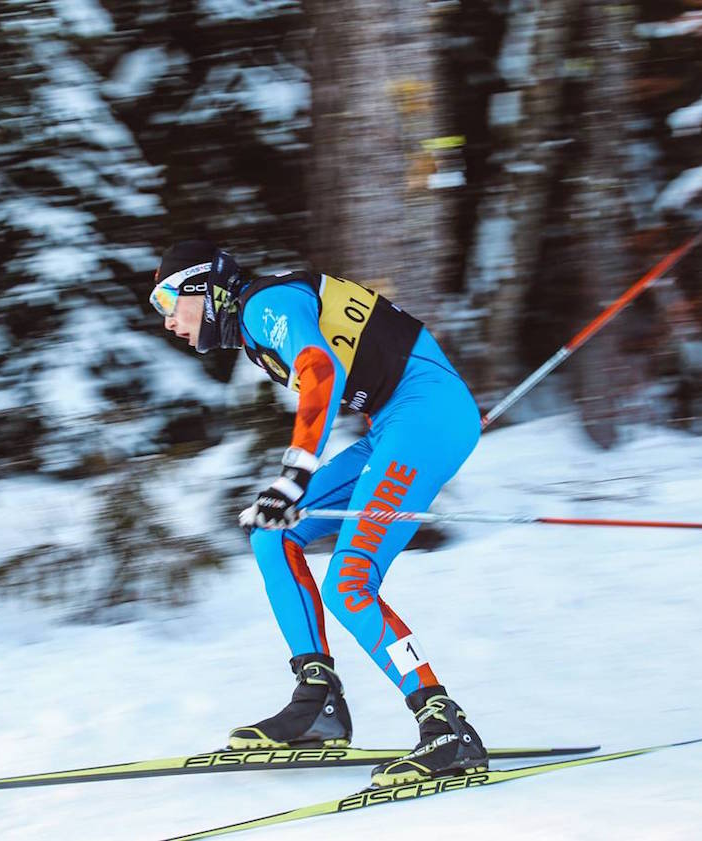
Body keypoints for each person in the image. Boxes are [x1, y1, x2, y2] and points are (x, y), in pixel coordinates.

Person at [150, 240, 486, 785]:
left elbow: (320, 372)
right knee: (272, 536)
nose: (168, 321)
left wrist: (293, 476)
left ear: (203, 289)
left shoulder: (263, 307)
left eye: (168, 301)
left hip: (424, 416)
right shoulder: (262, 321)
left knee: (349, 585)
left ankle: (446, 728)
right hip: (403, 421)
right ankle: (318, 701)